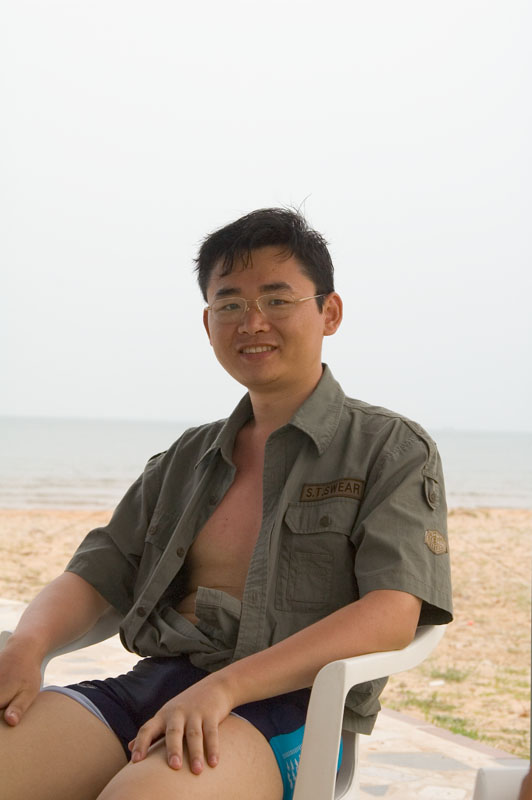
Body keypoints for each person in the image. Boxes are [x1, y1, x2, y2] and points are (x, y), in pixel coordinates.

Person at [0, 208, 452, 800]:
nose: (252, 321)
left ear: (330, 313)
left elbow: (392, 614)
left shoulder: (389, 448)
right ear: (207, 321)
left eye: (277, 299)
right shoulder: (186, 458)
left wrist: (225, 688)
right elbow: (98, 573)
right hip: (155, 683)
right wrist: (26, 646)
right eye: (230, 303)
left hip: (289, 709)